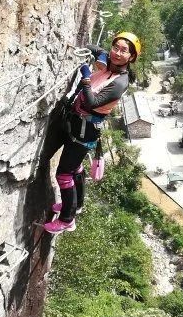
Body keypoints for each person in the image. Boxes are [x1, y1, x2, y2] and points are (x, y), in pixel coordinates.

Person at [41, 31, 141, 233]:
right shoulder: (109, 66)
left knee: (64, 174)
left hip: (85, 130)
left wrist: (86, 78)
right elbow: (95, 49)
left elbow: (92, 102)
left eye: (124, 51)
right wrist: (96, 53)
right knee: (75, 168)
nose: (117, 53)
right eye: (116, 47)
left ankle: (67, 219)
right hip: (78, 124)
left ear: (131, 57)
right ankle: (76, 205)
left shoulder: (120, 82)